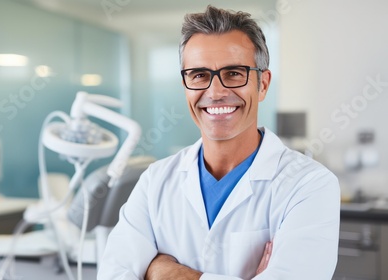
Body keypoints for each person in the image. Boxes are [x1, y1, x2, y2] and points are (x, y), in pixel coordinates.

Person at [97, 5, 340, 280]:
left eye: (234, 73)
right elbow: (113, 274)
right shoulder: (155, 181)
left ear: (262, 84)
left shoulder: (309, 185)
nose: (215, 92)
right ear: (185, 86)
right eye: (199, 75)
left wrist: (168, 272)